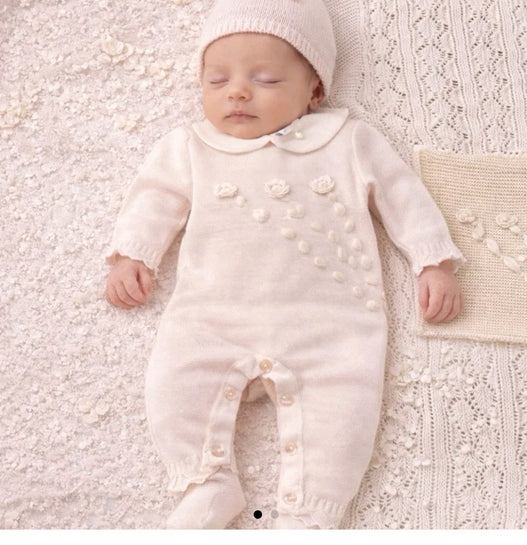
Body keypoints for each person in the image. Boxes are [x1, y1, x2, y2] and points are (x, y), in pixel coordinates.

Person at [104, 0, 464, 530]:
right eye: (217, 79)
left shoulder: (347, 140)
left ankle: (311, 515)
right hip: (212, 314)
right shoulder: (192, 146)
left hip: (328, 324)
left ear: (314, 90)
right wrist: (133, 254)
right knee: (175, 381)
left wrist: (433, 261)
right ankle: (206, 483)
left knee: (343, 409)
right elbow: (153, 197)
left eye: (266, 79)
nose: (237, 92)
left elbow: (402, 194)